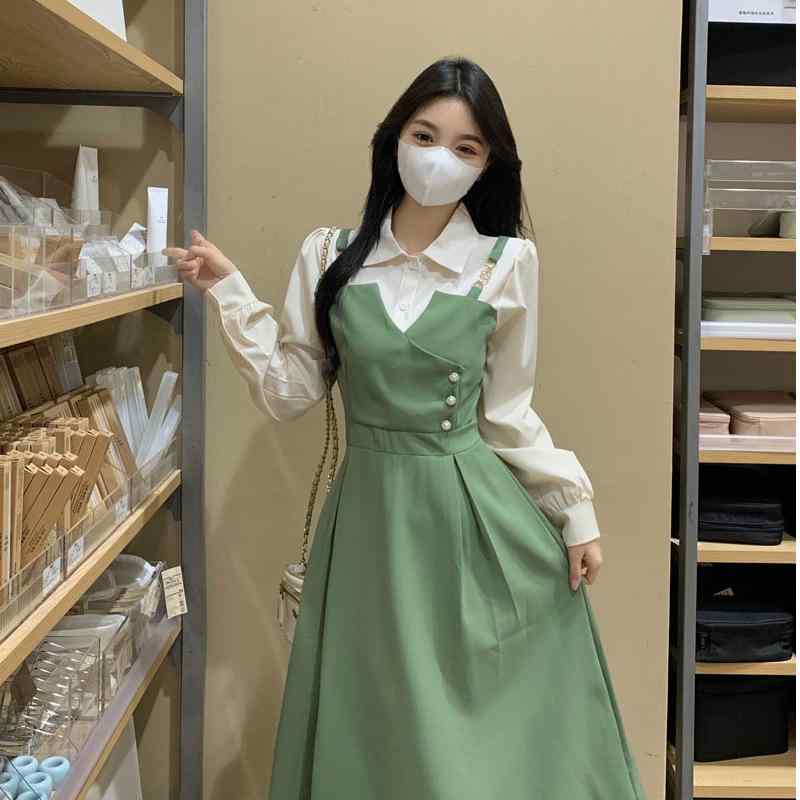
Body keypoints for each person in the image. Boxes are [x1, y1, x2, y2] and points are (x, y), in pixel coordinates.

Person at [168, 56, 646, 800]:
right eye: (425, 135)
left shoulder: (505, 263)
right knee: (378, 718)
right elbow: (290, 391)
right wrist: (229, 291)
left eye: (466, 147)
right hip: (369, 524)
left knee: (466, 727)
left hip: (471, 519)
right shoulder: (330, 256)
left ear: (487, 165)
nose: (439, 158)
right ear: (393, 139)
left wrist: (573, 512)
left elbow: (507, 414)